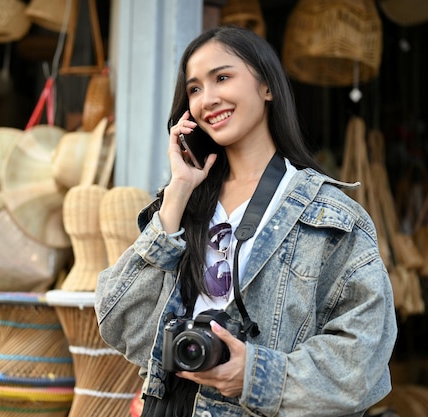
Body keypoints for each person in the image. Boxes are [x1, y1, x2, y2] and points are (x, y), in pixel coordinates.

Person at [95, 25, 397, 416]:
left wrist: (256, 375)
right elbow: (120, 324)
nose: (208, 99)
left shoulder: (332, 218)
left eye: (222, 78)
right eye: (194, 89)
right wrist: (178, 192)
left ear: (266, 87)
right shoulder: (182, 206)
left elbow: (363, 359)